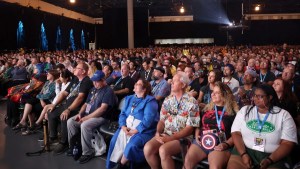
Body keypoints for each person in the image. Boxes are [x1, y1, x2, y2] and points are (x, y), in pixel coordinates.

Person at [227, 84, 298, 169]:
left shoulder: (283, 115)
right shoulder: (245, 110)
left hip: (273, 155)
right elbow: (236, 133)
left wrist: (269, 160)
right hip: (245, 150)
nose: (255, 98)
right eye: (255, 95)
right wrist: (243, 154)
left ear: (270, 97)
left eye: (260, 96)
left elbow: (288, 143)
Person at [144, 72, 200, 169]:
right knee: (147, 148)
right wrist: (158, 132)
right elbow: (162, 121)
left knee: (163, 150)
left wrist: (170, 138)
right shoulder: (168, 100)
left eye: (174, 81)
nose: (171, 83)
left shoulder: (192, 102)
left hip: (183, 138)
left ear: (183, 85)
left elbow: (189, 129)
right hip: (166, 133)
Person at [183, 82, 239, 169]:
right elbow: (199, 125)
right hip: (203, 141)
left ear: (225, 95)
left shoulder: (233, 112)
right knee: (188, 161)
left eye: (217, 92)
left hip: (221, 144)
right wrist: (197, 134)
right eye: (213, 92)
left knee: (215, 167)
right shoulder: (206, 109)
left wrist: (226, 144)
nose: (213, 94)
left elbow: (236, 134)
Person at [106, 79, 159, 169]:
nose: (135, 84)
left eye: (138, 84)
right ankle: (113, 165)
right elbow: (122, 114)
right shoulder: (129, 98)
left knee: (132, 145)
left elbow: (148, 119)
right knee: (114, 141)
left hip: (143, 130)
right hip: (126, 127)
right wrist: (123, 126)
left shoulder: (150, 101)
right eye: (136, 83)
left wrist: (136, 130)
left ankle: (121, 166)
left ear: (144, 89)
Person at [67, 70, 116, 164]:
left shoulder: (108, 91)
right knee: (71, 122)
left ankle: (87, 152)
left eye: (97, 81)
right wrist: (80, 114)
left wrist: (87, 118)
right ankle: (73, 146)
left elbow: (102, 109)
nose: (94, 83)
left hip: (102, 117)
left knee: (85, 125)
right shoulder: (93, 89)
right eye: (93, 81)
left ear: (103, 80)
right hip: (88, 115)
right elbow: (86, 104)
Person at [47, 62, 93, 155]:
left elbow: (80, 98)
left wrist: (68, 110)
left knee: (64, 117)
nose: (74, 69)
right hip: (66, 105)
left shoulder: (86, 81)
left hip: (77, 108)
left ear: (83, 71)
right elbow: (64, 93)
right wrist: (54, 104)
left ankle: (64, 143)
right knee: (51, 113)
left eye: (77, 68)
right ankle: (53, 137)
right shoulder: (75, 79)